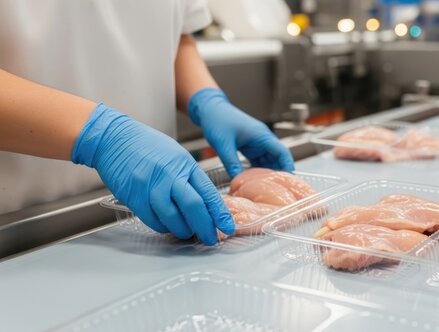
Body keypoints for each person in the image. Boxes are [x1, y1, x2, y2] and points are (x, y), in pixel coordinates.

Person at [0, 0, 294, 245]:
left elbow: (174, 33)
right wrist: (101, 137)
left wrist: (206, 99)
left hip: (160, 222)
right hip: (23, 228)